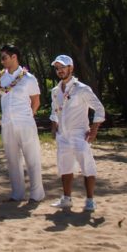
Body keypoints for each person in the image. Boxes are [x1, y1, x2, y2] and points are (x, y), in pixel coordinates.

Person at [48, 54, 106, 212]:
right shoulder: (55, 90)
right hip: (63, 135)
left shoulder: (82, 89)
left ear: (71, 68)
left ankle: (90, 200)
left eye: (63, 67)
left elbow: (99, 108)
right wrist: (54, 127)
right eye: (57, 68)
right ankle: (66, 198)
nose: (60, 70)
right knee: (65, 167)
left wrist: (94, 129)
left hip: (80, 134)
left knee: (87, 166)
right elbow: (55, 110)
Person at [0, 43, 45, 203]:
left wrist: (28, 116)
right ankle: (17, 194)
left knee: (32, 158)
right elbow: (2, 97)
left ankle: (37, 194)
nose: (2, 61)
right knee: (12, 159)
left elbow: (36, 101)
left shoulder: (28, 78)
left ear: (14, 57)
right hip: (7, 123)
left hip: (25, 123)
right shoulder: (1, 78)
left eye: (4, 57)